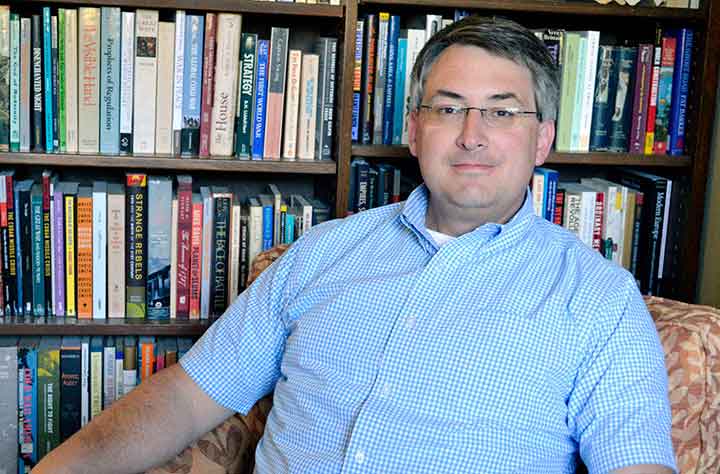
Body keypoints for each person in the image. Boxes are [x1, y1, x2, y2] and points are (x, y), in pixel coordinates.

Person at [34, 16, 675, 474]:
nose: (472, 136)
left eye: (502, 112)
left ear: (541, 141)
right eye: (449, 109)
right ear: (416, 128)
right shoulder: (322, 253)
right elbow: (183, 398)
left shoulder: (599, 298)